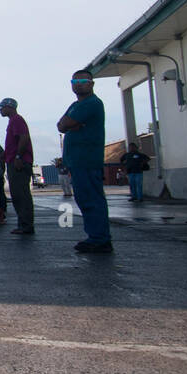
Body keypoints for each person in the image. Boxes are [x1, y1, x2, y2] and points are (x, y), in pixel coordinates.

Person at [57, 69, 112, 252]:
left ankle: (100, 239)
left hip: (87, 159)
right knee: (84, 199)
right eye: (75, 81)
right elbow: (61, 125)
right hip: (77, 161)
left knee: (91, 199)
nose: (78, 84)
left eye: (83, 80)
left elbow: (65, 124)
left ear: (91, 83)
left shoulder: (92, 103)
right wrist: (72, 123)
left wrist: (70, 123)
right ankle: (95, 236)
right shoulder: (75, 105)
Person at [0, 97, 35, 235]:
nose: (0, 110)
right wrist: (6, 154)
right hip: (13, 160)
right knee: (18, 194)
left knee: (21, 194)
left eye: (2, 107)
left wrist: (18, 156)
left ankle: (26, 225)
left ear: (10, 107)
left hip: (18, 162)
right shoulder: (13, 121)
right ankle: (23, 224)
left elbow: (23, 138)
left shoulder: (17, 120)